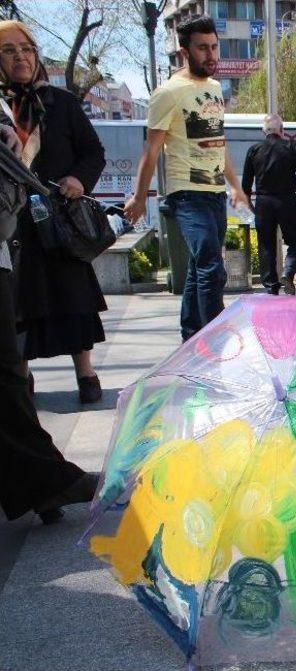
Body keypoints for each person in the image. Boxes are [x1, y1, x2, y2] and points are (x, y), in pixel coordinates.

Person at [0, 20, 107, 405]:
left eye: (26, 49)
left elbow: (94, 152)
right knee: (20, 304)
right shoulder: (0, 108)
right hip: (13, 224)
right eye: (9, 51)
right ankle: (21, 381)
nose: (20, 57)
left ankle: (87, 374)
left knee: (74, 297)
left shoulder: (60, 102)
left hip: (59, 218)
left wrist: (79, 179)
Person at [124, 15, 248, 342]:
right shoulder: (168, 93)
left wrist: (235, 187)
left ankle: (191, 336)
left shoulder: (212, 89)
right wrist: (139, 197)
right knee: (211, 265)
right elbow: (151, 151)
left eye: (214, 47)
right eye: (202, 48)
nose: (211, 55)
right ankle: (217, 341)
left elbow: (219, 146)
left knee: (197, 268)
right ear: (184, 52)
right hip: (186, 193)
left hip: (213, 192)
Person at [0, 120, 98, 525]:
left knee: (7, 376)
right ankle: (45, 480)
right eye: (11, 50)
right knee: (6, 377)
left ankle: (43, 481)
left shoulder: (51, 107)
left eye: (28, 49)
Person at [242, 113, 296, 296]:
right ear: (282, 130)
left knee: (266, 245)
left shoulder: (254, 150)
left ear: (263, 131)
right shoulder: (290, 147)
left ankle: (271, 286)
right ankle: (288, 273)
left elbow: (246, 183)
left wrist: (250, 202)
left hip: (264, 202)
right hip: (287, 201)